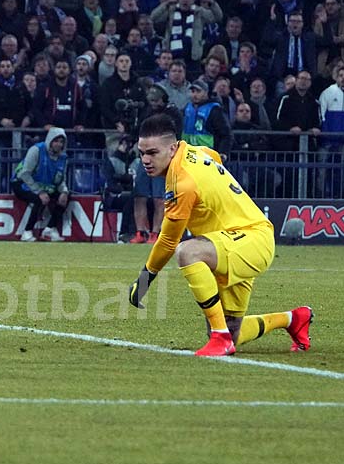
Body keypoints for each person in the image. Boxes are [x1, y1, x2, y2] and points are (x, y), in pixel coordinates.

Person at [129, 113, 313, 357]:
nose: (145, 160)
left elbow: (169, 240)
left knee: (187, 252)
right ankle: (293, 319)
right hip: (230, 242)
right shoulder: (195, 151)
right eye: (142, 153)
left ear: (172, 148)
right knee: (233, 328)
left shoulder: (182, 182)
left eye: (152, 153)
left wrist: (145, 278)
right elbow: (214, 157)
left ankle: (220, 338)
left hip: (250, 239)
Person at [11, 127, 70, 242]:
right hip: (21, 183)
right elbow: (25, 174)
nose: (59, 144)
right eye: (56, 141)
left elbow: (61, 179)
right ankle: (27, 232)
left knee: (64, 197)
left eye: (61, 142)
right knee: (38, 199)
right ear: (50, 140)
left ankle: (50, 229)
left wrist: (64, 191)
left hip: (44, 186)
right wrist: (40, 191)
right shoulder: (36, 150)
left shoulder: (63, 158)